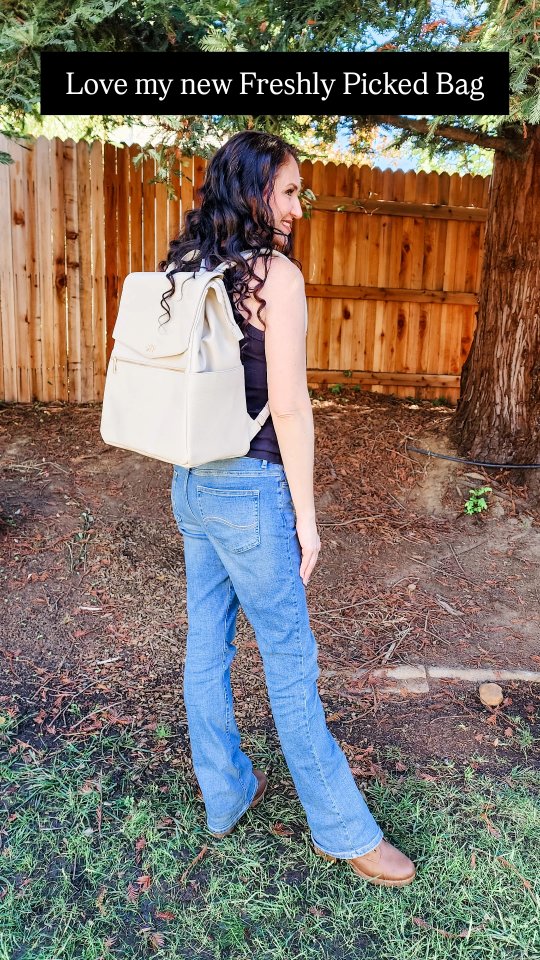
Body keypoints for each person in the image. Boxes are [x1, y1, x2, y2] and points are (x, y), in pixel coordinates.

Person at [161, 130, 416, 887]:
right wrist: (306, 518)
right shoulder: (274, 275)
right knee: (290, 664)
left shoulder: (187, 265)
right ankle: (344, 831)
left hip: (191, 483)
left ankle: (225, 793)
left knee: (206, 646)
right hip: (249, 489)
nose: (301, 207)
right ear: (254, 193)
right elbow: (291, 409)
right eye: (291, 192)